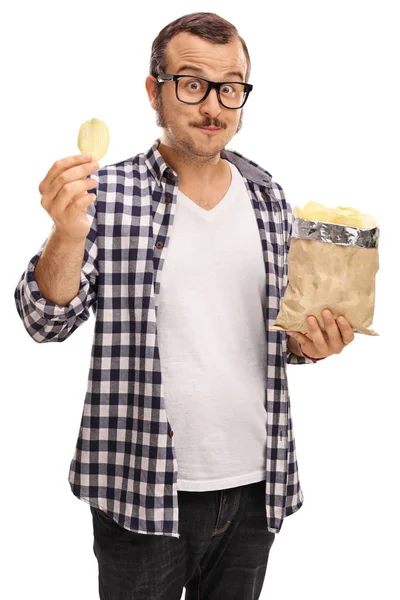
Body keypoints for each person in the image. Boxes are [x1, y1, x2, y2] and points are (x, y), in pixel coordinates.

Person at [14, 11, 355, 600]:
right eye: (192, 83)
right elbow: (44, 321)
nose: (213, 107)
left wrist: (312, 343)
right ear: (155, 90)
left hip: (256, 486)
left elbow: (274, 336)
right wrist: (66, 235)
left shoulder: (269, 197)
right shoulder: (105, 193)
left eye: (230, 88)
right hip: (138, 486)